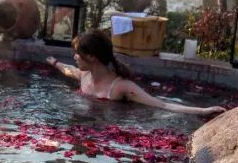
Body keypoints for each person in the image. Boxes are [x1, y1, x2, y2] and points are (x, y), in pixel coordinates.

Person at [45, 30, 225, 116]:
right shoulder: (84, 76)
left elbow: (162, 105)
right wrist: (55, 63)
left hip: (107, 131)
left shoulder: (121, 87)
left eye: (78, 53)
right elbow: (69, 71)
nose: (75, 57)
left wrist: (203, 110)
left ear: (92, 57)